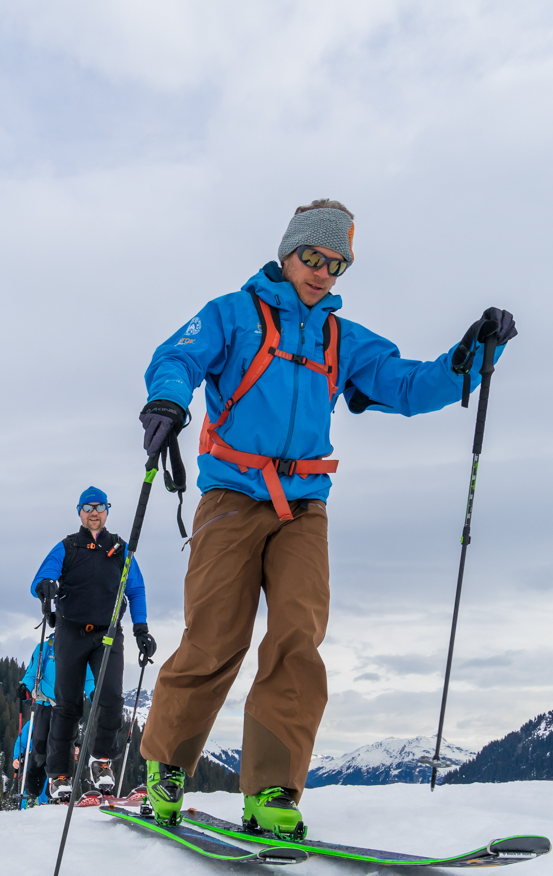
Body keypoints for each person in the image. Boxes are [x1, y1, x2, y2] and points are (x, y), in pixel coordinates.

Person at [134, 199, 515, 837]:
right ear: (289, 253)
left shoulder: (341, 339)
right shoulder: (233, 314)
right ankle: (166, 765)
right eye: (314, 257)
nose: (323, 273)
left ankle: (272, 790)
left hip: (305, 508)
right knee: (215, 637)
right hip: (231, 497)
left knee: (297, 638)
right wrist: (168, 401)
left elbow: (408, 385)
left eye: (337, 265)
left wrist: (474, 356)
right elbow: (177, 358)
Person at [30, 487, 153, 801]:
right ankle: (60, 775)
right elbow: (42, 578)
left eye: (99, 507)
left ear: (107, 511)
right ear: (80, 512)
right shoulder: (67, 547)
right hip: (70, 632)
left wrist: (141, 629)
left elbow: (135, 590)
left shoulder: (121, 549)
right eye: (88, 508)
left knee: (110, 697)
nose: (94, 513)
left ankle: (101, 761)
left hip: (108, 633)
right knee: (67, 704)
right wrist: (46, 585)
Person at [9, 633, 95, 806]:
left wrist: (94, 693)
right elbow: (32, 672)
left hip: (68, 705)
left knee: (64, 745)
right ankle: (33, 791)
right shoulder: (46, 647)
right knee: (40, 748)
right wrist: (25, 687)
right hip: (45, 704)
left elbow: (88, 678)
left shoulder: (81, 646)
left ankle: (60, 788)